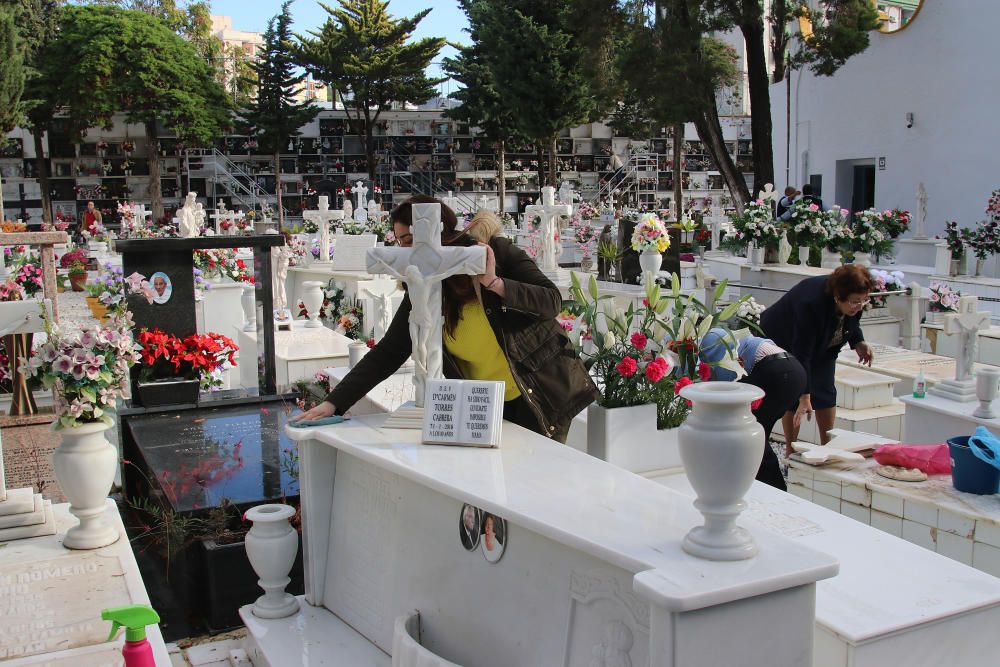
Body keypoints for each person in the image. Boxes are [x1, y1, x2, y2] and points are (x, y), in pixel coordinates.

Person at [290, 195, 598, 443]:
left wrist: (494, 283)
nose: (406, 250)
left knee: (535, 486)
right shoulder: (426, 285)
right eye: (400, 242)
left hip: (538, 391)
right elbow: (391, 350)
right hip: (483, 405)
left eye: (411, 238)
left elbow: (550, 301)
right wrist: (335, 402)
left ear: (439, 231)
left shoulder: (495, 254)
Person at [760, 265, 875, 450]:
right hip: (785, 339)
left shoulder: (855, 298)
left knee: (826, 390)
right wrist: (804, 396)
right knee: (793, 392)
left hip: (826, 344)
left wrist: (858, 342)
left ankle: (827, 447)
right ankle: (791, 449)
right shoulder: (811, 304)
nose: (859, 306)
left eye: (864, 300)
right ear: (839, 297)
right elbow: (802, 353)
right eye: (855, 302)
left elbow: (851, 320)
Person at [699, 327, 806, 490]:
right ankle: (762, 484)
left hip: (775, 372)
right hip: (795, 371)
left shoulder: (710, 340)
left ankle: (770, 487)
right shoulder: (725, 335)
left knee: (749, 433)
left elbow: (724, 380)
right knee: (757, 434)